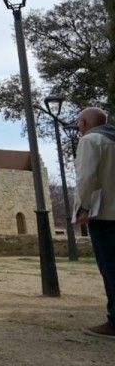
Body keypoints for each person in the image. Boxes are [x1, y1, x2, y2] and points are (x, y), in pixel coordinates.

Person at [74, 107, 115, 338]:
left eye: (79, 121)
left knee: (110, 268)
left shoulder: (92, 140)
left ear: (86, 121)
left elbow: (86, 177)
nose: (78, 126)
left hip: (105, 214)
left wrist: (84, 207)